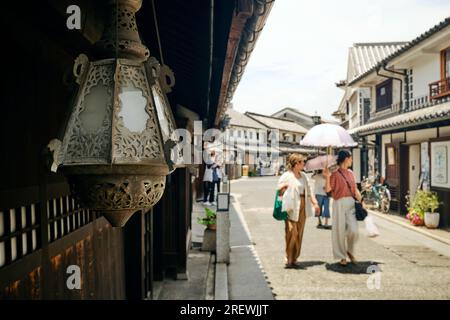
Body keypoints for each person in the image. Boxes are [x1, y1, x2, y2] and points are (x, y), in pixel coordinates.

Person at [278, 153, 320, 268]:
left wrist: (315, 203)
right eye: (302, 162)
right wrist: (283, 187)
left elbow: (310, 191)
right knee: (291, 231)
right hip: (290, 206)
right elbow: (279, 190)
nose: (304, 164)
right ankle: (288, 256)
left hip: (303, 205)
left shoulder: (304, 176)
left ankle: (295, 257)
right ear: (296, 164)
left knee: (299, 232)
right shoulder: (286, 175)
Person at [323, 150, 362, 266]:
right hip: (338, 202)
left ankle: (350, 250)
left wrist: (362, 201)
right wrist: (327, 177)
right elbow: (328, 190)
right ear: (346, 159)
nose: (351, 160)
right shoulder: (334, 173)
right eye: (350, 158)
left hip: (351, 202)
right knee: (339, 230)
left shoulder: (350, 173)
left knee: (353, 230)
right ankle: (341, 256)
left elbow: (355, 189)